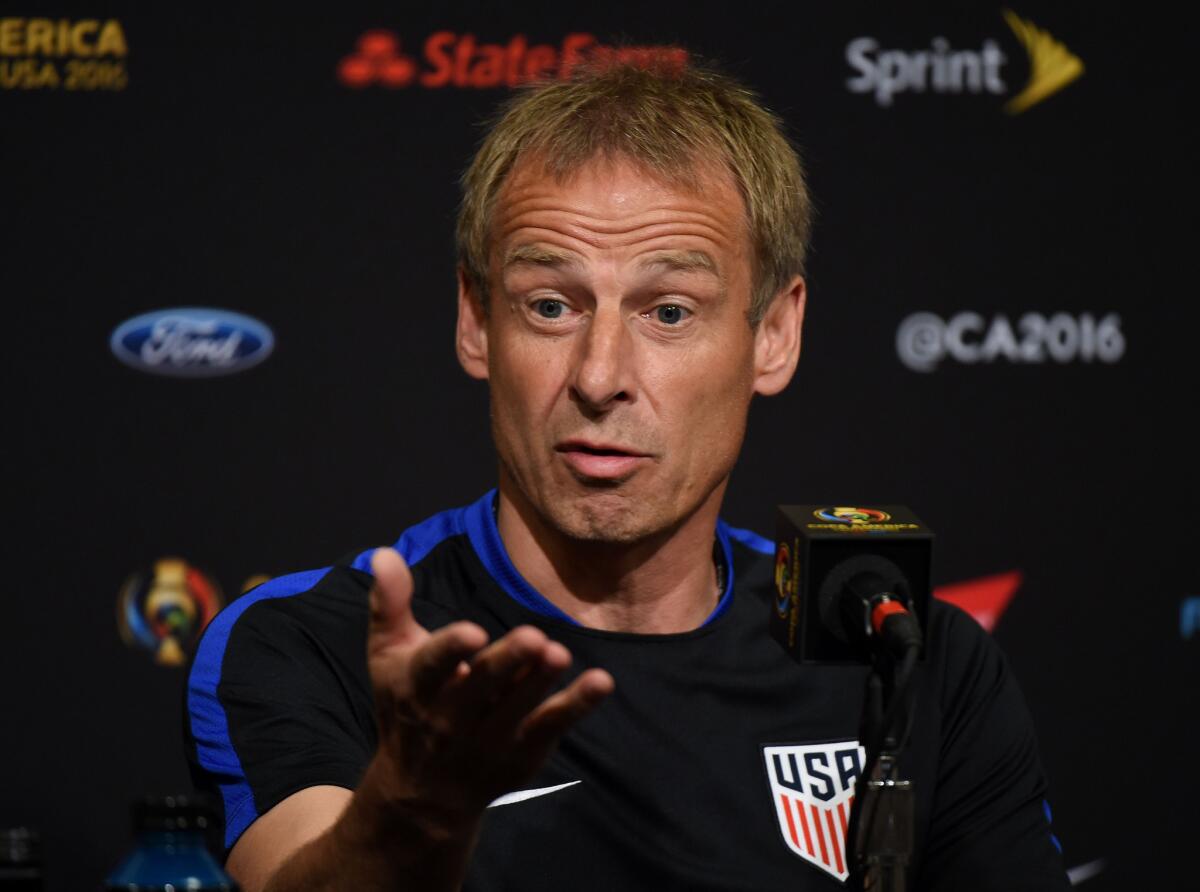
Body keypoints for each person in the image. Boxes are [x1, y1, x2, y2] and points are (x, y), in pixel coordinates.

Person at [184, 59, 1070, 891]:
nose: (600, 375)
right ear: (475, 323)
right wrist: (416, 806)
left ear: (774, 335)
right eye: (551, 305)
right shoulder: (306, 644)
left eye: (670, 311)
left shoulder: (911, 662)